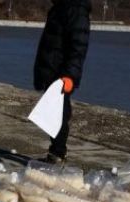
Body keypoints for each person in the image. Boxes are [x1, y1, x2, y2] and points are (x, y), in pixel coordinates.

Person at [33, 0, 91, 163]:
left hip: (62, 73)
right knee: (53, 112)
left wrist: (69, 76)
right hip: (52, 69)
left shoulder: (76, 9)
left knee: (59, 113)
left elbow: (78, 46)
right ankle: (56, 153)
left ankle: (58, 154)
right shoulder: (60, 7)